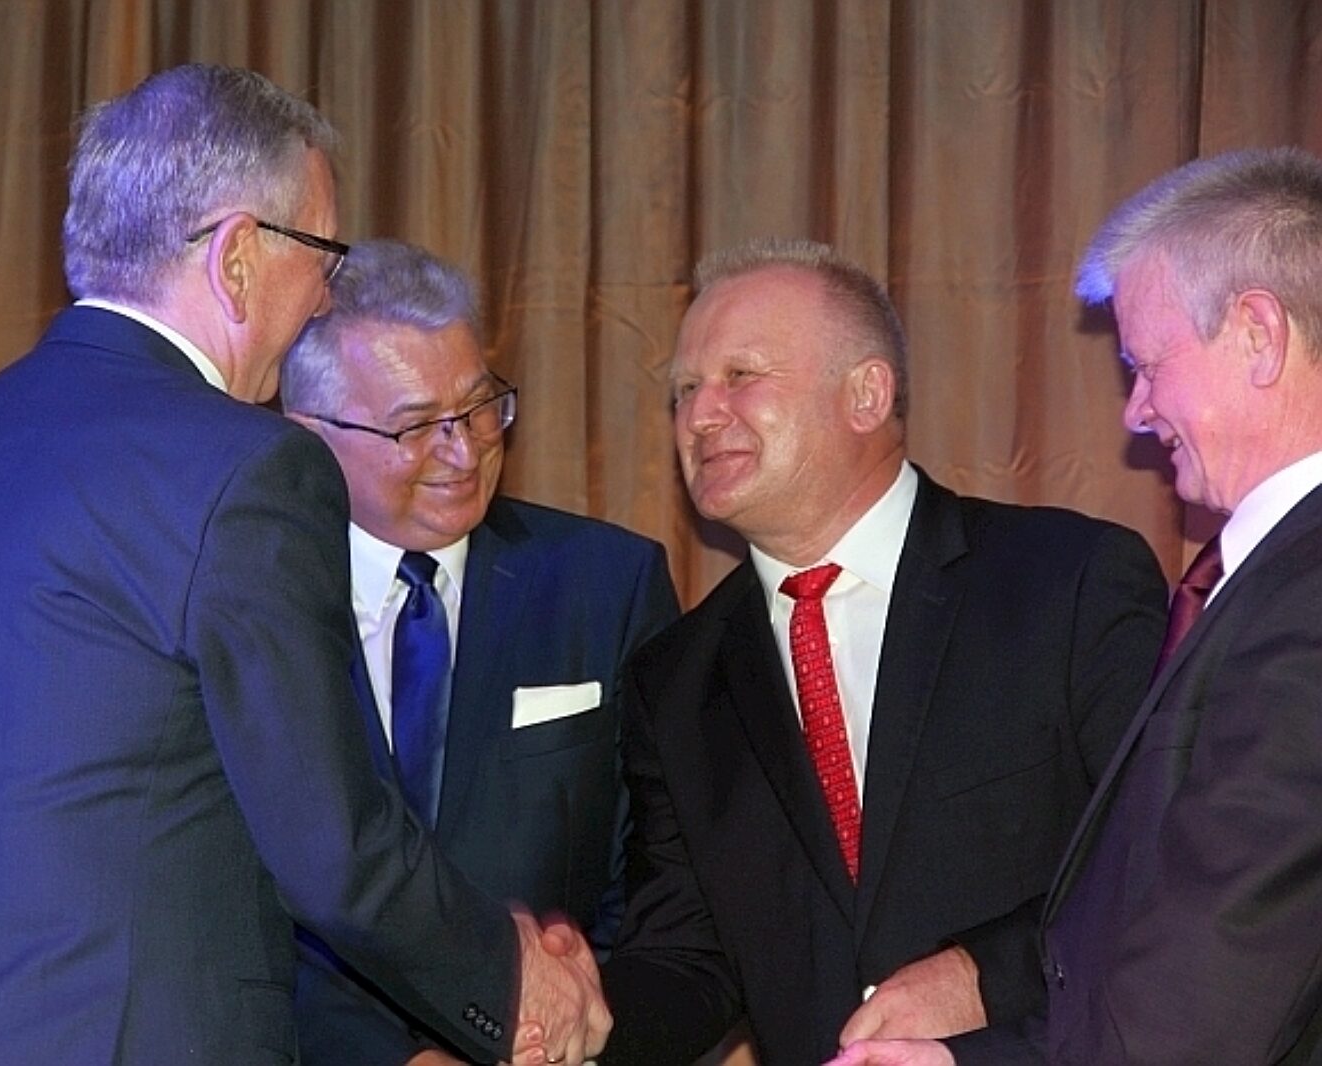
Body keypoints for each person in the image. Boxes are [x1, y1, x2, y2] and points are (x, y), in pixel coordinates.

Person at [0, 64, 606, 1066]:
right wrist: (509, 976)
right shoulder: (247, 469)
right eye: (323, 254)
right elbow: (330, 841)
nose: (325, 296)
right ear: (237, 258)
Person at [589, 238, 1168, 1066]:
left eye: (740, 376)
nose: (701, 415)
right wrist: (566, 1029)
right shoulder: (674, 678)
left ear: (867, 393)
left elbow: (1155, 861)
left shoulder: (1067, 583)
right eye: (684, 391)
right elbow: (687, 956)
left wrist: (985, 975)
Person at [832, 147, 1322, 1066]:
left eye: (1147, 364)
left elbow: (1204, 1011)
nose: (1137, 411)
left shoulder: (1307, 600)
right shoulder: (1271, 582)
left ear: (1258, 334)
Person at [278, 239, 682, 1066]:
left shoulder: (607, 586)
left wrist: (564, 1016)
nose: (464, 452)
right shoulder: (252, 607)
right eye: (416, 426)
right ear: (309, 437)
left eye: (479, 406)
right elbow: (232, 888)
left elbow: (663, 871)